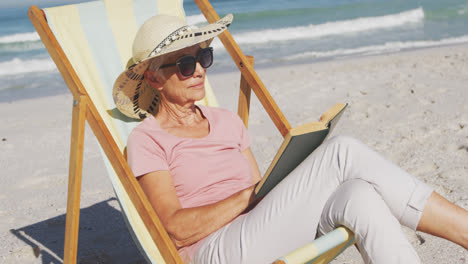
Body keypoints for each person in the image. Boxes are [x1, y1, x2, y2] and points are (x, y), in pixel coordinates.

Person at [113, 14, 468, 264]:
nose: (200, 69)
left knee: (358, 194)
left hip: (255, 233)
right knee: (342, 152)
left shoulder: (226, 121)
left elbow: (261, 196)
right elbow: (174, 230)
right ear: (155, 79)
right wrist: (251, 195)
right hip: (213, 252)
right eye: (185, 63)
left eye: (204, 56)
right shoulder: (148, 140)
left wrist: (274, 183)